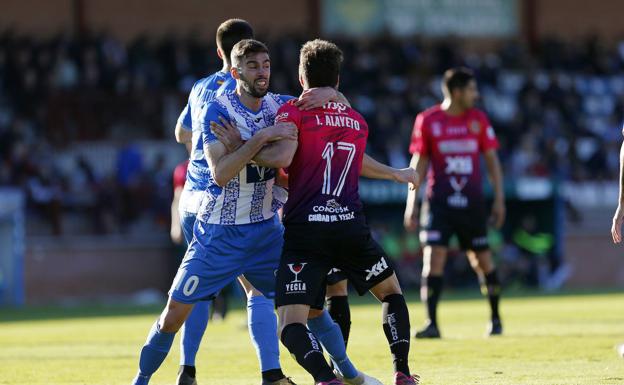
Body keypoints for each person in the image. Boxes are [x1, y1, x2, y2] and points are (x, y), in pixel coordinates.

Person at [131, 38, 367, 385]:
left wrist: (334, 96)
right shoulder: (218, 110)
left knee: (312, 307)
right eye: (254, 66)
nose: (262, 72)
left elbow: (338, 111)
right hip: (218, 234)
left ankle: (350, 374)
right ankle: (141, 380)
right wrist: (262, 139)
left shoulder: (283, 105)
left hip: (266, 234)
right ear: (235, 70)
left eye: (267, 65)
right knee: (172, 315)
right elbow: (220, 173)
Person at [273, 39, 421, 385]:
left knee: (291, 322)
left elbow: (282, 158)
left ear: (300, 75)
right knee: (391, 294)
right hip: (349, 226)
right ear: (338, 80)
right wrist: (396, 173)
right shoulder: (355, 120)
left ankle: (327, 378)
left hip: (306, 231)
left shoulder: (292, 112)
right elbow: (352, 159)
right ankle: (401, 371)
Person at [403, 67, 505, 338]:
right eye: (472, 89)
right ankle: (431, 323)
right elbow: (419, 164)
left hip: (472, 205)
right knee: (433, 259)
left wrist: (499, 200)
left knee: (482, 261)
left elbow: (492, 162)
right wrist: (411, 202)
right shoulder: (428, 120)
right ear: (457, 92)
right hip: (440, 205)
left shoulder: (478, 120)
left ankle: (495, 319)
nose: (476, 95)